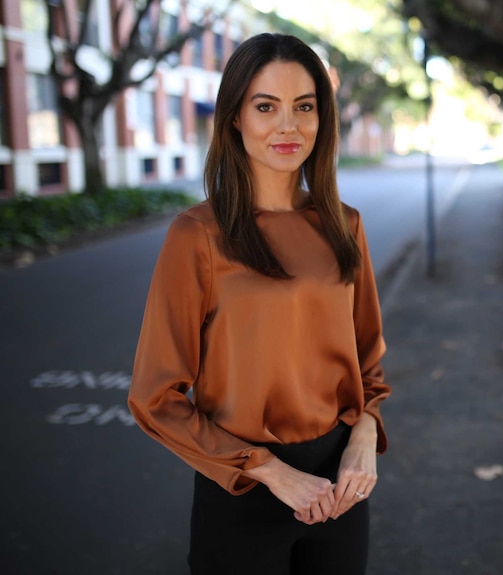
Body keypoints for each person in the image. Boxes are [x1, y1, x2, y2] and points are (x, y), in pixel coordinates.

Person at [127, 33, 390, 575]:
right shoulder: (197, 235)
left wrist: (365, 433)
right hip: (242, 490)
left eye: (304, 107)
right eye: (265, 106)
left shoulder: (346, 224)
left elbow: (368, 362)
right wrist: (268, 469)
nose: (287, 126)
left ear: (323, 119)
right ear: (234, 120)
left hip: (340, 483)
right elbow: (155, 398)